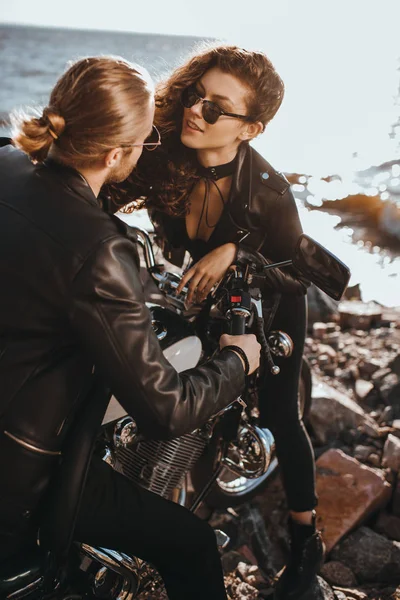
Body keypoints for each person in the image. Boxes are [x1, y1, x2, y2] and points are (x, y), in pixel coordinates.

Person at [0, 55, 261, 600]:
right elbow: (164, 410)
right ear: (116, 152)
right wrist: (238, 360)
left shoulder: (8, 163)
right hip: (22, 468)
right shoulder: (99, 251)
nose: (146, 150)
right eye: (144, 141)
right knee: (190, 544)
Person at [113, 45, 326, 600]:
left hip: (270, 304)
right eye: (195, 96)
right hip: (193, 294)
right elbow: (105, 187)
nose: (195, 111)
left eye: (215, 108)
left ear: (250, 128)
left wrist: (237, 253)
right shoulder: (164, 153)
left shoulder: (272, 193)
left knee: (281, 411)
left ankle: (306, 544)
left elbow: (299, 275)